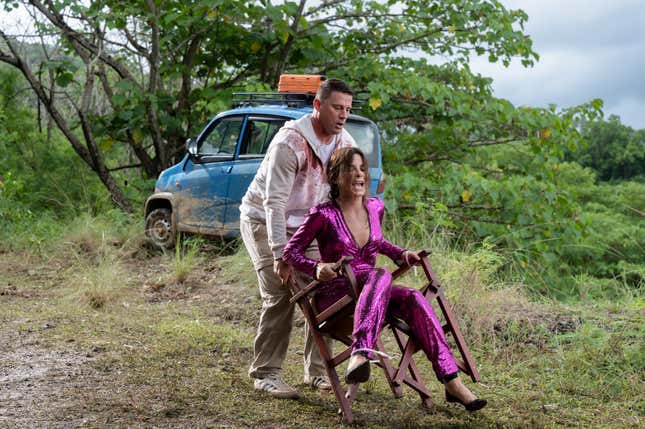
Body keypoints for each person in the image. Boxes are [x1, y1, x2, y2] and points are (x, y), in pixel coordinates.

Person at [282, 147, 487, 411]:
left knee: (413, 297)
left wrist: (401, 253)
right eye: (350, 169)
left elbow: (377, 242)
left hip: (372, 294)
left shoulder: (375, 207)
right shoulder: (322, 214)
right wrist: (316, 267)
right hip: (337, 296)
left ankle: (452, 383)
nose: (358, 174)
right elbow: (291, 252)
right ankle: (362, 349)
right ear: (335, 176)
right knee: (379, 274)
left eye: (362, 169)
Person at [239, 78, 356, 399]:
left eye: (347, 109)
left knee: (327, 288)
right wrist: (281, 256)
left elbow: (344, 196)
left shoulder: (344, 142)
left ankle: (317, 372)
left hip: (307, 226)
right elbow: (273, 203)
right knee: (280, 292)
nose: (343, 115)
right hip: (264, 221)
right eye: (337, 107)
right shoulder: (289, 143)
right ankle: (266, 374)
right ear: (318, 106)